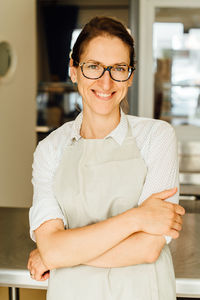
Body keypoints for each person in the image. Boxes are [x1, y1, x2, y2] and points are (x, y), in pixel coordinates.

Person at [28, 16, 185, 300]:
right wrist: (138, 217)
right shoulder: (50, 149)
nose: (106, 81)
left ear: (131, 75)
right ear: (73, 70)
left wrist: (62, 251)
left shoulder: (157, 137)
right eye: (93, 67)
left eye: (119, 68)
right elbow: (51, 249)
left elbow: (147, 248)